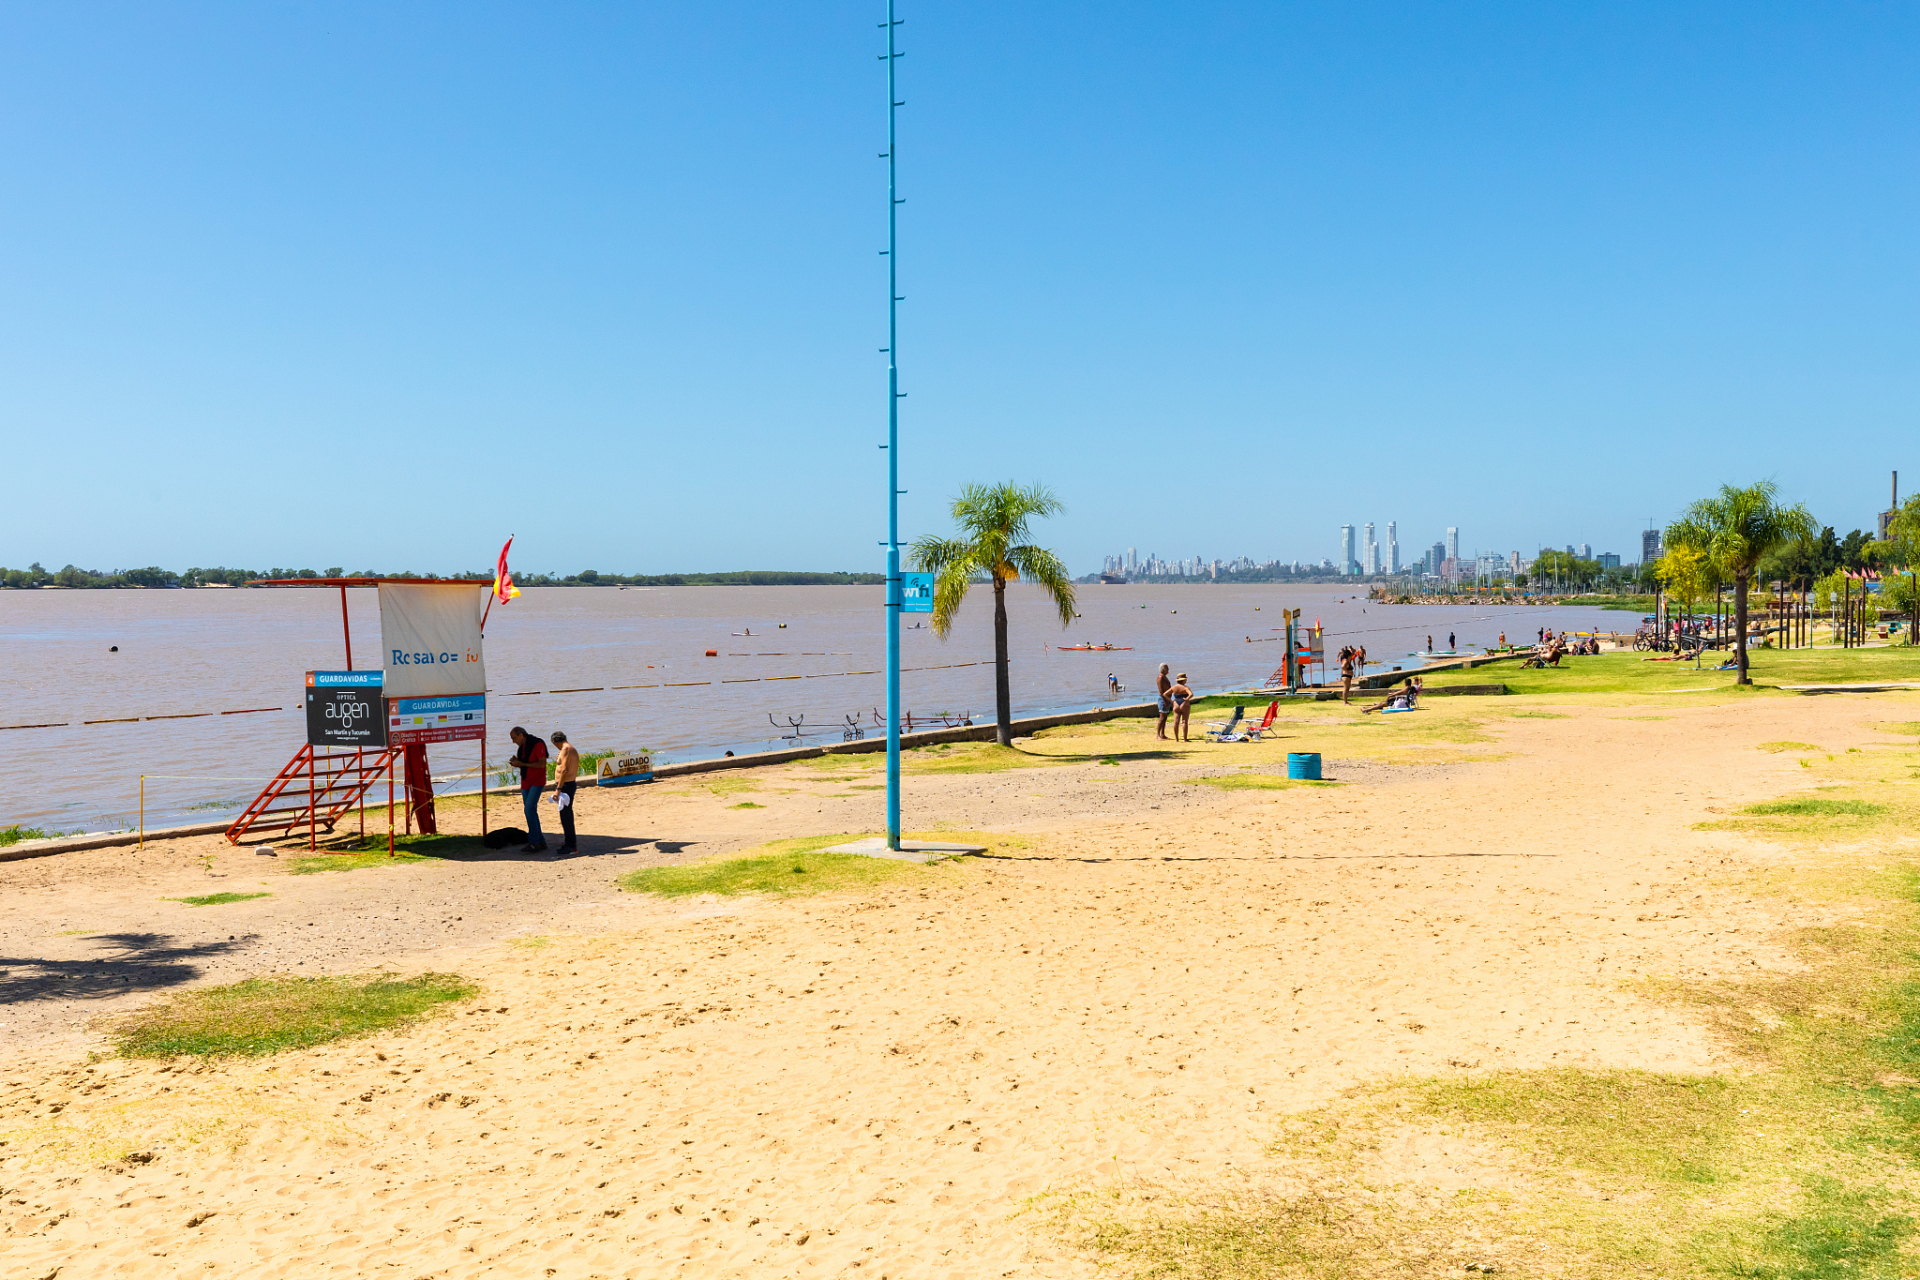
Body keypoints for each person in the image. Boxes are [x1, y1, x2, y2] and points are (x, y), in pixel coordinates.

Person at [507, 727, 549, 853]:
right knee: (530, 811)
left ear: (521, 735)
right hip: (526, 780)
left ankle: (534, 842)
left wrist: (522, 764)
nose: (513, 741)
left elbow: (541, 764)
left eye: (514, 738)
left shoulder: (537, 743)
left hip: (537, 781)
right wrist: (516, 762)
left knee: (529, 809)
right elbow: (525, 762)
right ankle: (540, 841)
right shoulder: (522, 747)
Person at [549, 730, 580, 856]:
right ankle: (569, 843)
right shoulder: (568, 749)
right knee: (565, 815)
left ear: (555, 742)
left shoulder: (566, 749)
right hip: (567, 785)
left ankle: (571, 846)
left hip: (566, 786)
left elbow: (565, 770)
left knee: (566, 817)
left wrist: (558, 789)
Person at [1169, 672, 1194, 741]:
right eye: (1185, 679)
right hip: (1184, 704)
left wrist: (1171, 700)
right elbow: (1191, 694)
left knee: (1176, 722)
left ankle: (1176, 738)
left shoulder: (1174, 687)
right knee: (1184, 722)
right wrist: (1187, 699)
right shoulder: (1185, 687)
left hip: (1176, 703)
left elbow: (1165, 694)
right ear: (1183, 680)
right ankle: (1185, 739)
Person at [1155, 663, 1174, 739]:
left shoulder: (1164, 677)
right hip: (1163, 699)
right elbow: (1161, 690)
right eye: (1167, 669)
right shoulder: (1160, 678)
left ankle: (1162, 734)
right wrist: (1165, 701)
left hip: (1167, 698)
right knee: (1162, 717)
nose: (1168, 670)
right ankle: (1158, 735)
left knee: (1165, 717)